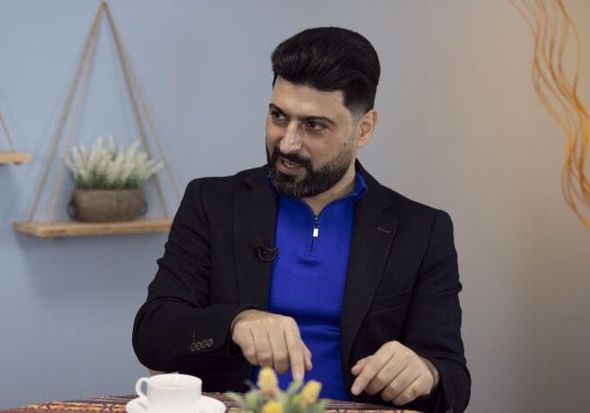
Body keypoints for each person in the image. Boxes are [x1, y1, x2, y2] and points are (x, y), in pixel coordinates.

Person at [133, 27, 470, 412]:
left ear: (364, 129)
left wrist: (426, 372)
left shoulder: (421, 231)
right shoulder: (212, 203)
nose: (288, 142)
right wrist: (236, 323)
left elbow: (453, 379)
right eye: (278, 116)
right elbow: (152, 333)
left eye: (314, 125)